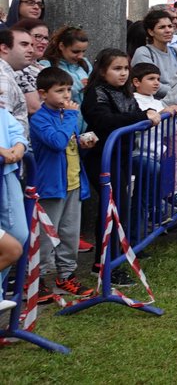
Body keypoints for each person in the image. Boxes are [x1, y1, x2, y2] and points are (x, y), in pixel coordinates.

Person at [81, 49, 161, 286]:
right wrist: (142, 117)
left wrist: (145, 115)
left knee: (117, 210)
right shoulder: (96, 93)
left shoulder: (124, 93)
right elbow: (104, 121)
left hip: (121, 157)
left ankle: (108, 261)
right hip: (103, 158)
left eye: (126, 68)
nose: (123, 73)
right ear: (102, 70)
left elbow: (136, 115)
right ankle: (106, 265)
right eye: (117, 68)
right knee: (112, 211)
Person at [29, 66, 96, 301]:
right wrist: (69, 116)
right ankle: (38, 279)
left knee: (69, 233)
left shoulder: (66, 115)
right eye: (59, 91)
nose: (67, 95)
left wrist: (83, 143)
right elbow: (57, 142)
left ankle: (66, 275)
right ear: (43, 93)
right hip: (51, 186)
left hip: (73, 182)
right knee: (47, 236)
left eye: (68, 89)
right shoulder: (39, 119)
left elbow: (69, 143)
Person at [0, 100, 28, 296]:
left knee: (18, 235)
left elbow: (16, 130)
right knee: (9, 247)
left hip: (6, 176)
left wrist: (19, 146)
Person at [131, 9, 177, 96]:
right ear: (151, 32)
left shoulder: (176, 53)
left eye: (170, 26)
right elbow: (149, 83)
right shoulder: (143, 53)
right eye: (162, 27)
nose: (168, 30)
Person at [41, 26, 91, 107]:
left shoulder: (85, 63)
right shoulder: (48, 65)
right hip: (61, 116)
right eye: (75, 52)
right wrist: (79, 85)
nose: (80, 56)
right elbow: (48, 93)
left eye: (83, 51)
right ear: (61, 46)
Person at [0, 27, 34, 133]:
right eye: (24, 44)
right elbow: (3, 127)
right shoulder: (3, 77)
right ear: (4, 48)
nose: (31, 50)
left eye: (31, 45)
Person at [13, 19, 50, 115]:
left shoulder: (44, 67)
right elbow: (33, 107)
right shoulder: (16, 68)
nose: (44, 42)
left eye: (46, 38)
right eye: (38, 36)